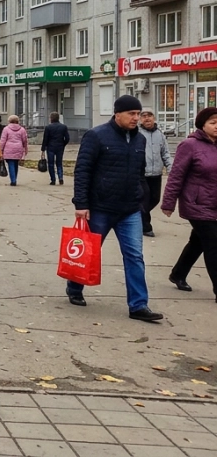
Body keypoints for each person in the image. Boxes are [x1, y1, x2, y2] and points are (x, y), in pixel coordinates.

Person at [68, 95, 163, 322]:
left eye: (138, 114)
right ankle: (75, 287)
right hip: (100, 207)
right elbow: (83, 170)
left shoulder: (140, 139)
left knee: (135, 256)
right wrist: (81, 204)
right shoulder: (96, 136)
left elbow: (140, 173)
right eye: (131, 114)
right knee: (89, 252)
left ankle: (138, 305)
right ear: (117, 114)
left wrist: (141, 199)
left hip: (129, 209)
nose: (136, 118)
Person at [163, 107, 217, 301]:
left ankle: (178, 273)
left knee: (198, 242)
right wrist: (168, 202)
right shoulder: (189, 145)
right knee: (213, 244)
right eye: (213, 122)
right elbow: (176, 175)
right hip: (197, 204)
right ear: (202, 125)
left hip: (214, 204)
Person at [138, 110, 173, 237]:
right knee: (145, 199)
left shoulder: (160, 134)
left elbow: (165, 153)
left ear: (154, 118)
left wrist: (171, 169)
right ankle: (146, 227)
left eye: (149, 116)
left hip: (156, 174)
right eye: (144, 116)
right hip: (142, 174)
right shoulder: (137, 134)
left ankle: (134, 216)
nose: (147, 118)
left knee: (155, 199)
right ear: (140, 119)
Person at [40, 112, 71, 185]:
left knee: (51, 164)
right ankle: (60, 177)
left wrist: (43, 149)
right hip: (60, 147)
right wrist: (63, 144)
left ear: (51, 118)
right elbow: (67, 138)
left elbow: (45, 139)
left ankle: (53, 180)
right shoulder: (63, 127)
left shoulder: (48, 127)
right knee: (59, 163)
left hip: (50, 147)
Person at [0, 115, 29, 186]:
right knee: (16, 164)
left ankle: (13, 180)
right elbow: (25, 140)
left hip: (8, 148)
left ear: (9, 121)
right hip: (18, 148)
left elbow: (3, 140)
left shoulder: (6, 129)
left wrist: (0, 150)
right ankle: (14, 178)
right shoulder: (22, 129)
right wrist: (25, 148)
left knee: (11, 164)